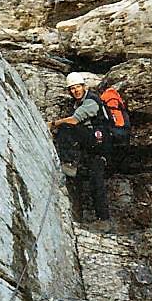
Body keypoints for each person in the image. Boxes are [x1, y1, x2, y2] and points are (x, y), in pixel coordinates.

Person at [47, 72, 112, 226]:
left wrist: (53, 124)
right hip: (96, 145)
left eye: (77, 87)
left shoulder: (91, 101)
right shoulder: (82, 102)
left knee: (66, 126)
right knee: (95, 179)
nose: (75, 91)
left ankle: (69, 163)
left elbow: (75, 120)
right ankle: (103, 219)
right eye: (72, 89)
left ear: (84, 87)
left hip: (99, 144)